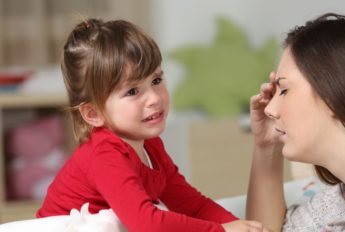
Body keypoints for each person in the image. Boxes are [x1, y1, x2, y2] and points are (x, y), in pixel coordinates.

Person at [36, 18, 269, 232]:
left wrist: (238, 225)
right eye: (133, 91)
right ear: (93, 113)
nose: (155, 98)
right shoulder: (105, 155)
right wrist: (221, 231)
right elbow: (147, 223)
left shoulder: (151, 146)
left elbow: (192, 204)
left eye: (156, 80)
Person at [246, 13, 345, 232]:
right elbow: (264, 230)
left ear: (334, 93)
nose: (269, 109)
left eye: (284, 90)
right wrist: (266, 146)